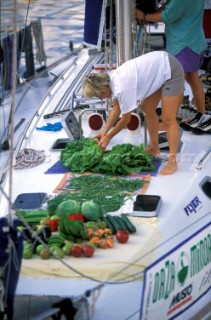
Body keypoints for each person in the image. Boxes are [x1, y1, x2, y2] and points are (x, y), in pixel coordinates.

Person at [82, 51, 184, 175]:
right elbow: (116, 109)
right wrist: (103, 133)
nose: (100, 99)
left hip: (170, 70)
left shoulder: (122, 87)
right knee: (147, 107)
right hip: (159, 68)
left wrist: (108, 138)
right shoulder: (112, 79)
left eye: (98, 96)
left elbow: (126, 119)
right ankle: (154, 148)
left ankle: (172, 161)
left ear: (103, 89)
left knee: (168, 119)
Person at [136, 0, 207, 131]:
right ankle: (201, 114)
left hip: (184, 44)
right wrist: (149, 13)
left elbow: (167, 16)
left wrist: (144, 16)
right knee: (192, 78)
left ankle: (169, 121)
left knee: (176, 82)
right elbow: (167, 8)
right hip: (195, 41)